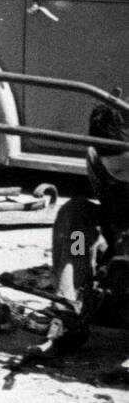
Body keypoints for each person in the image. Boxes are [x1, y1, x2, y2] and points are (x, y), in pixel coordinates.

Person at [42, 103, 129, 355]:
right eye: (118, 170)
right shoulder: (97, 158)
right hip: (115, 228)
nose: (124, 175)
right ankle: (69, 303)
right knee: (75, 217)